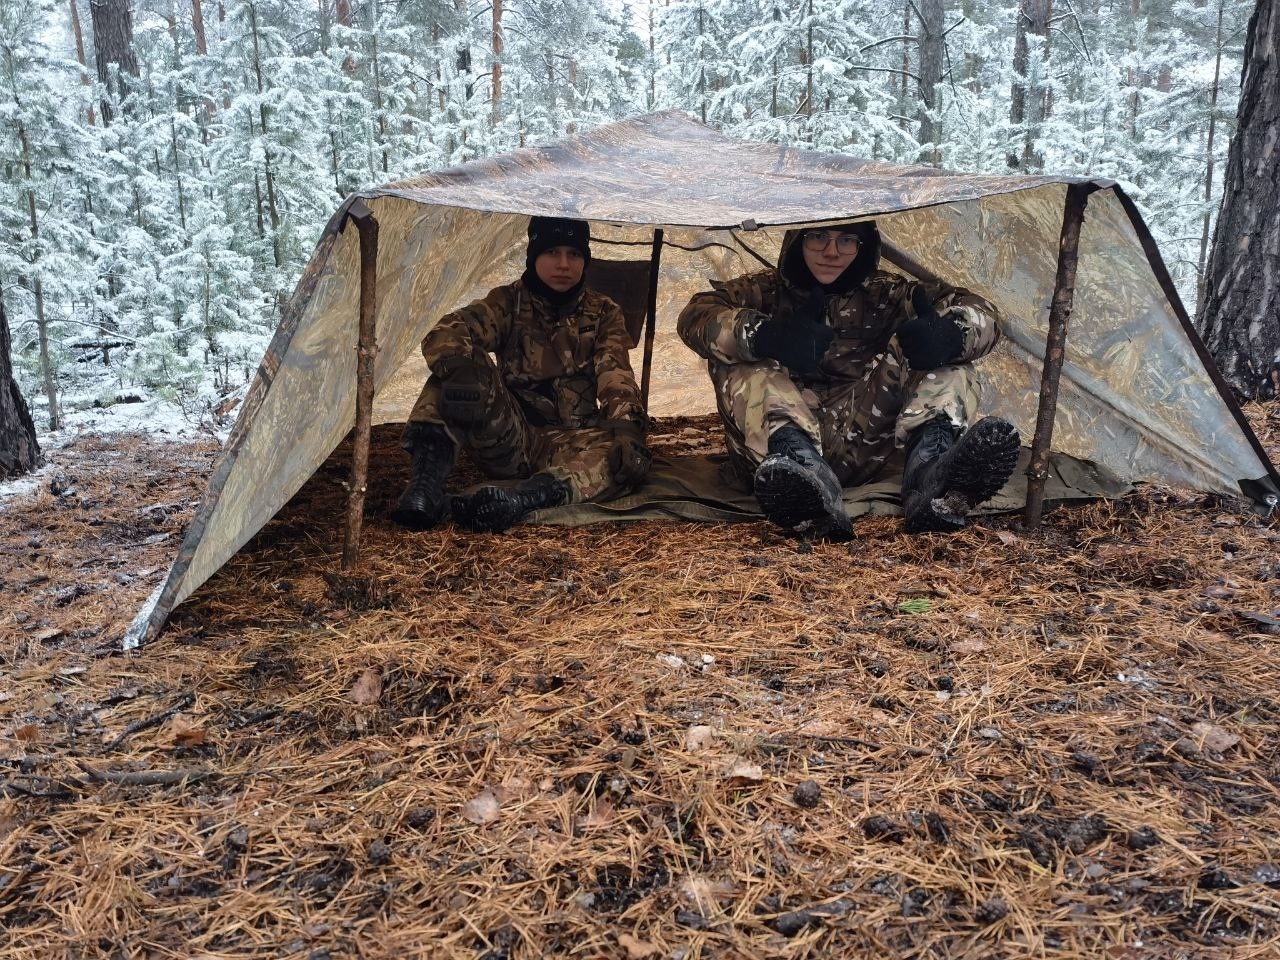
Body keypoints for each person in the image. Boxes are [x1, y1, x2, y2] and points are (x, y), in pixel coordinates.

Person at [676, 221, 1021, 539]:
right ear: (797, 239)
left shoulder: (890, 295)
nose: (831, 251)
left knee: (945, 359)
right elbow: (696, 316)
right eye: (818, 237)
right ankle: (808, 488)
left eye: (846, 240)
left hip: (867, 443)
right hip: (777, 449)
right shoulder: (761, 291)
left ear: (862, 246)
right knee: (739, 359)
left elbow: (986, 315)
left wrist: (951, 334)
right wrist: (768, 336)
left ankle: (931, 479)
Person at [391, 216, 651, 534]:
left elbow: (615, 371)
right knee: (456, 368)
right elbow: (449, 328)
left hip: (574, 441)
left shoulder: (603, 312)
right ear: (533, 256)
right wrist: (460, 371)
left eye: (574, 254)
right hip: (510, 436)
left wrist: (627, 430)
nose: (564, 264)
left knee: (619, 457)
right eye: (552, 252)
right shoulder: (507, 302)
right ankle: (425, 486)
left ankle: (522, 499)